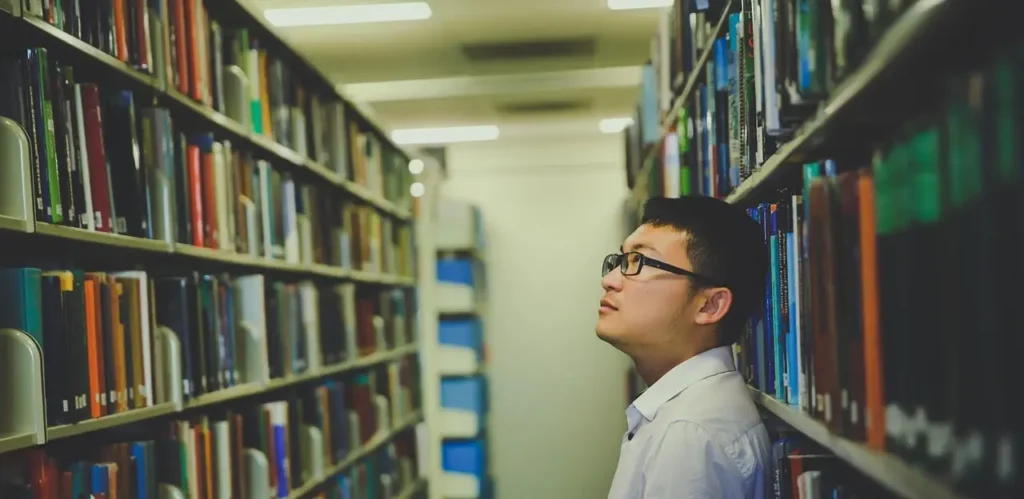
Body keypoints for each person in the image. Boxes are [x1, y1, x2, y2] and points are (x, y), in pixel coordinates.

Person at [598, 196, 771, 499]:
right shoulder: (688, 414)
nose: (611, 280)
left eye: (639, 262)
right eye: (621, 260)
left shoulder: (689, 435)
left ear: (709, 305)